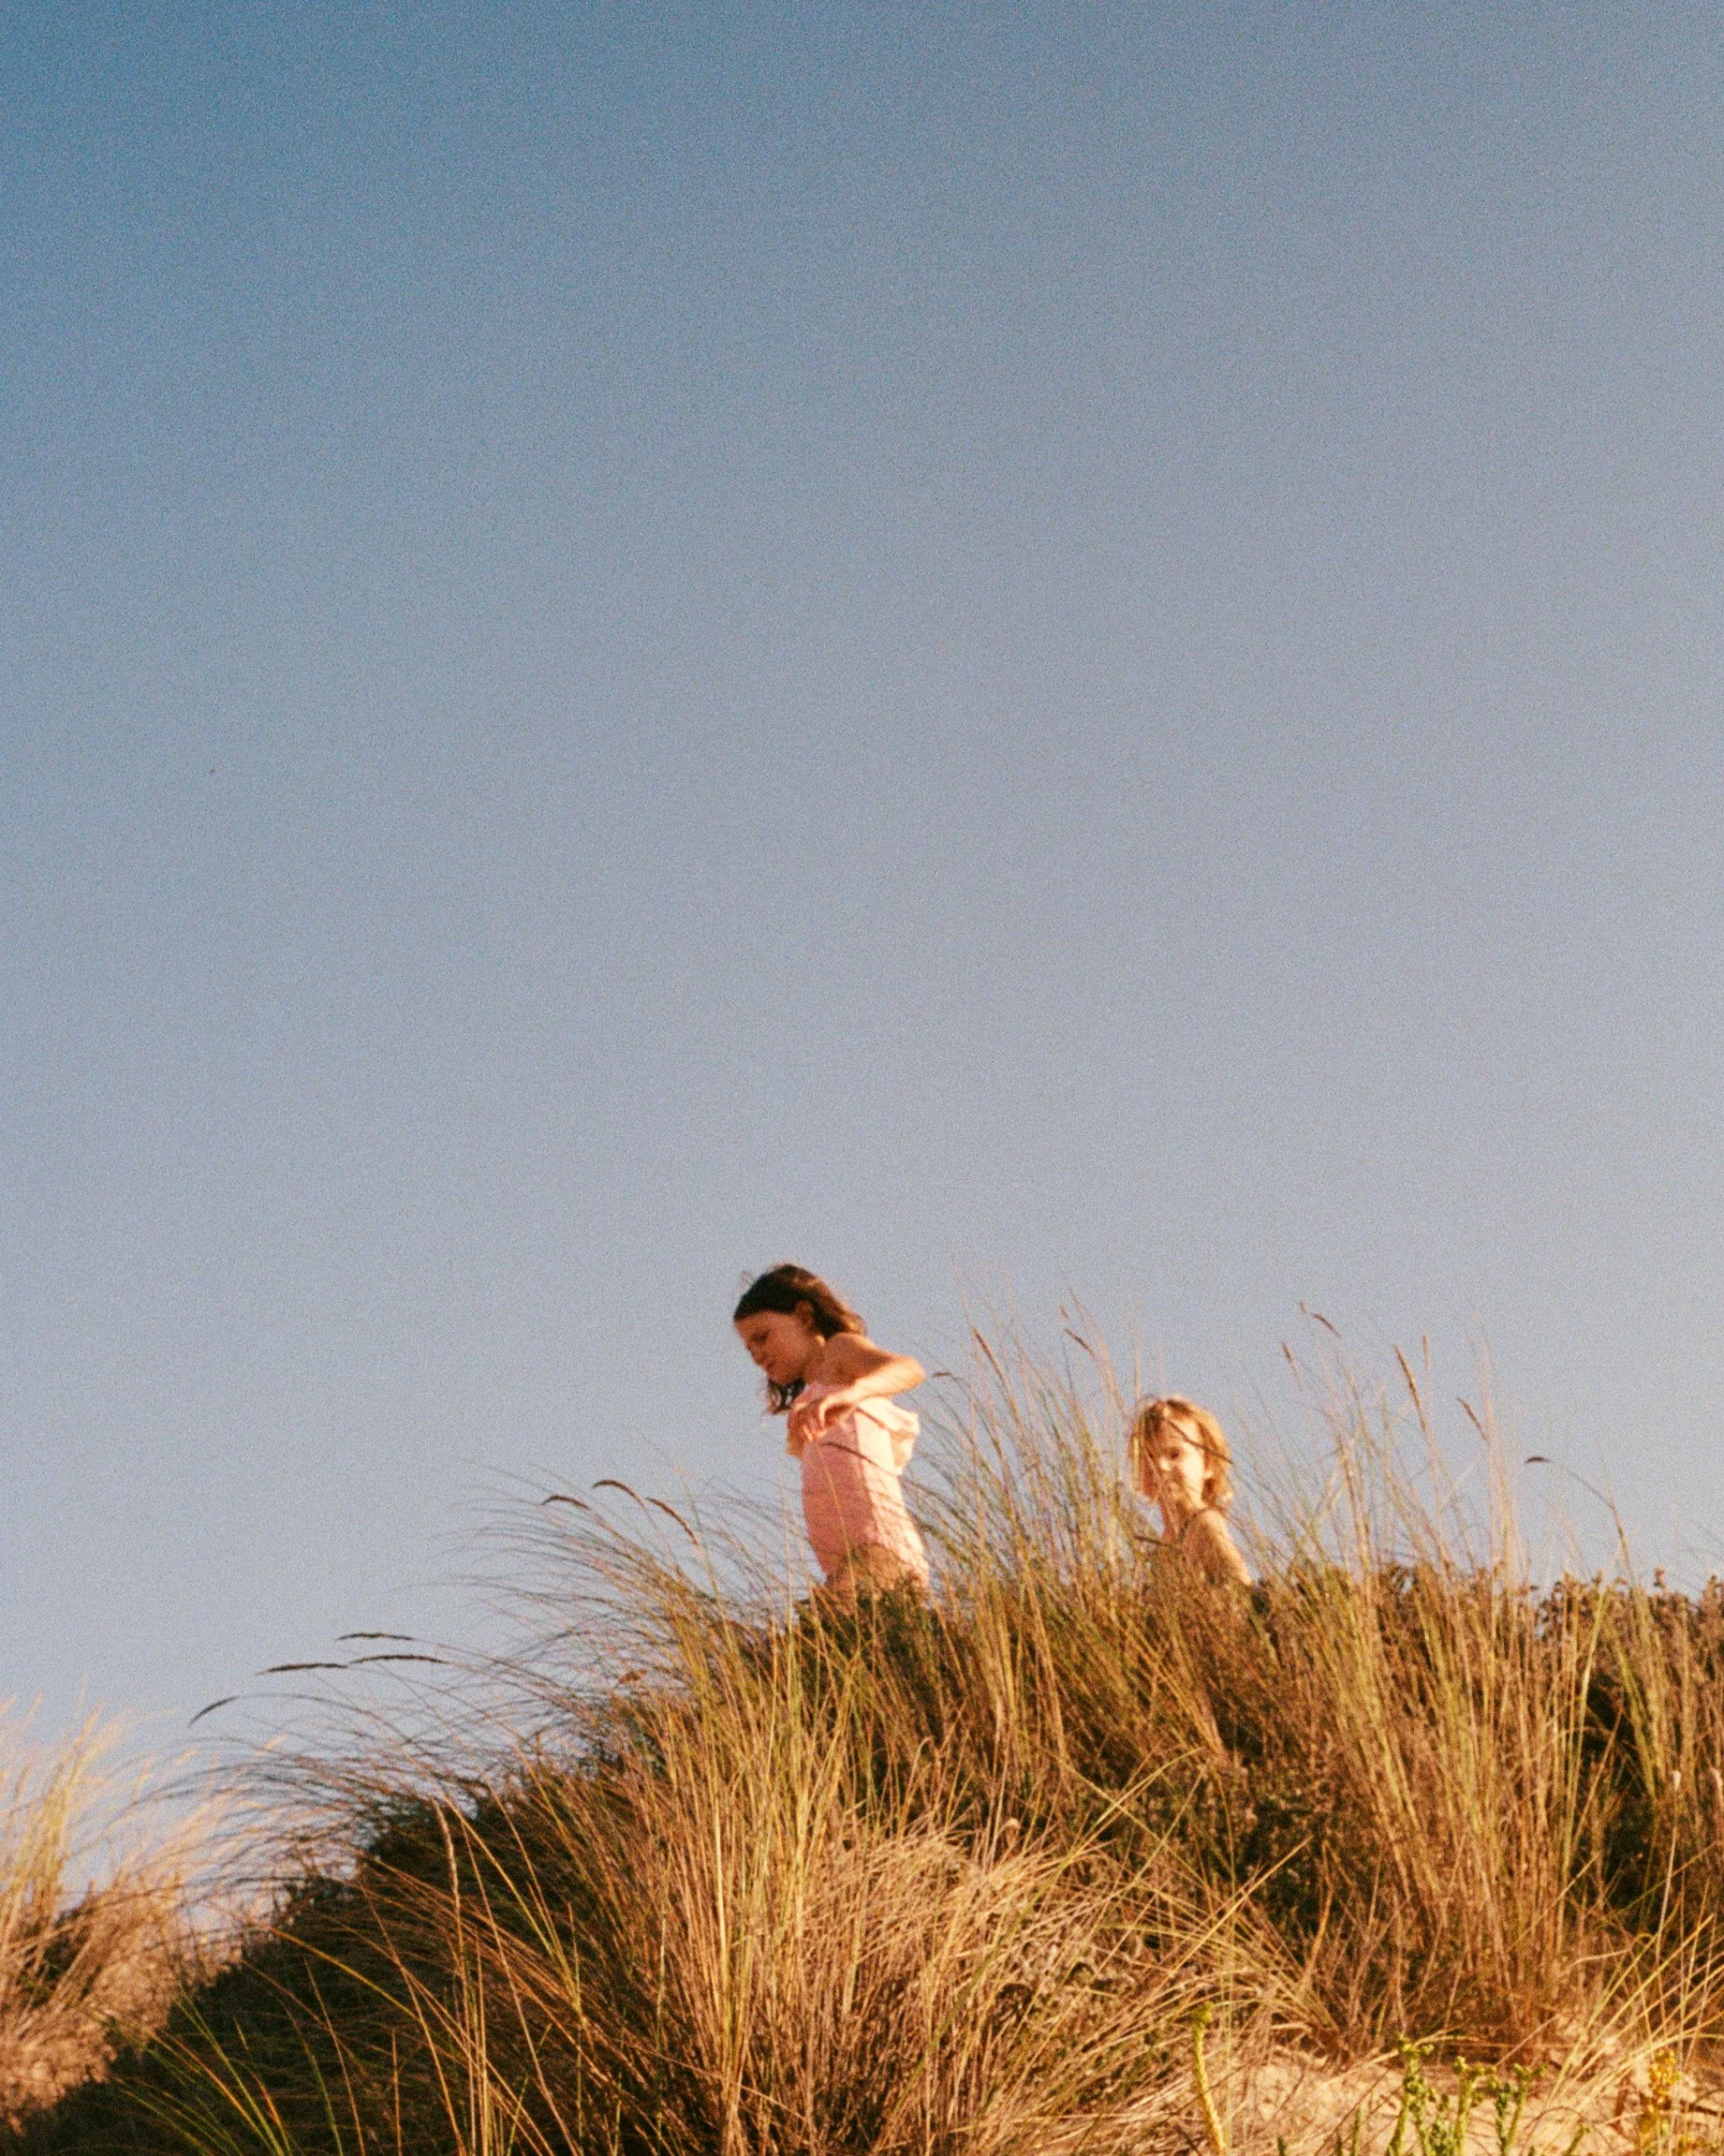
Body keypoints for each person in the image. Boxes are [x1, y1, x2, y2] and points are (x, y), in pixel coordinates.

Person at [733, 1263, 929, 1607]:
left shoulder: (839, 1354)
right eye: (749, 1349)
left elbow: (909, 1369)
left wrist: (853, 1393)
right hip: (843, 1566)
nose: (757, 1356)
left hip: (881, 1552)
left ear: (805, 1317)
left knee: (822, 1627)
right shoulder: (807, 1406)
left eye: (763, 1337)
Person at [1127, 1395, 1252, 1586]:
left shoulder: (1204, 1524)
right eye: (1149, 1457)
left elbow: (1240, 1585)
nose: (1161, 1465)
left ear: (1208, 1463)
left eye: (1175, 1454)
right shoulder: (1165, 1541)